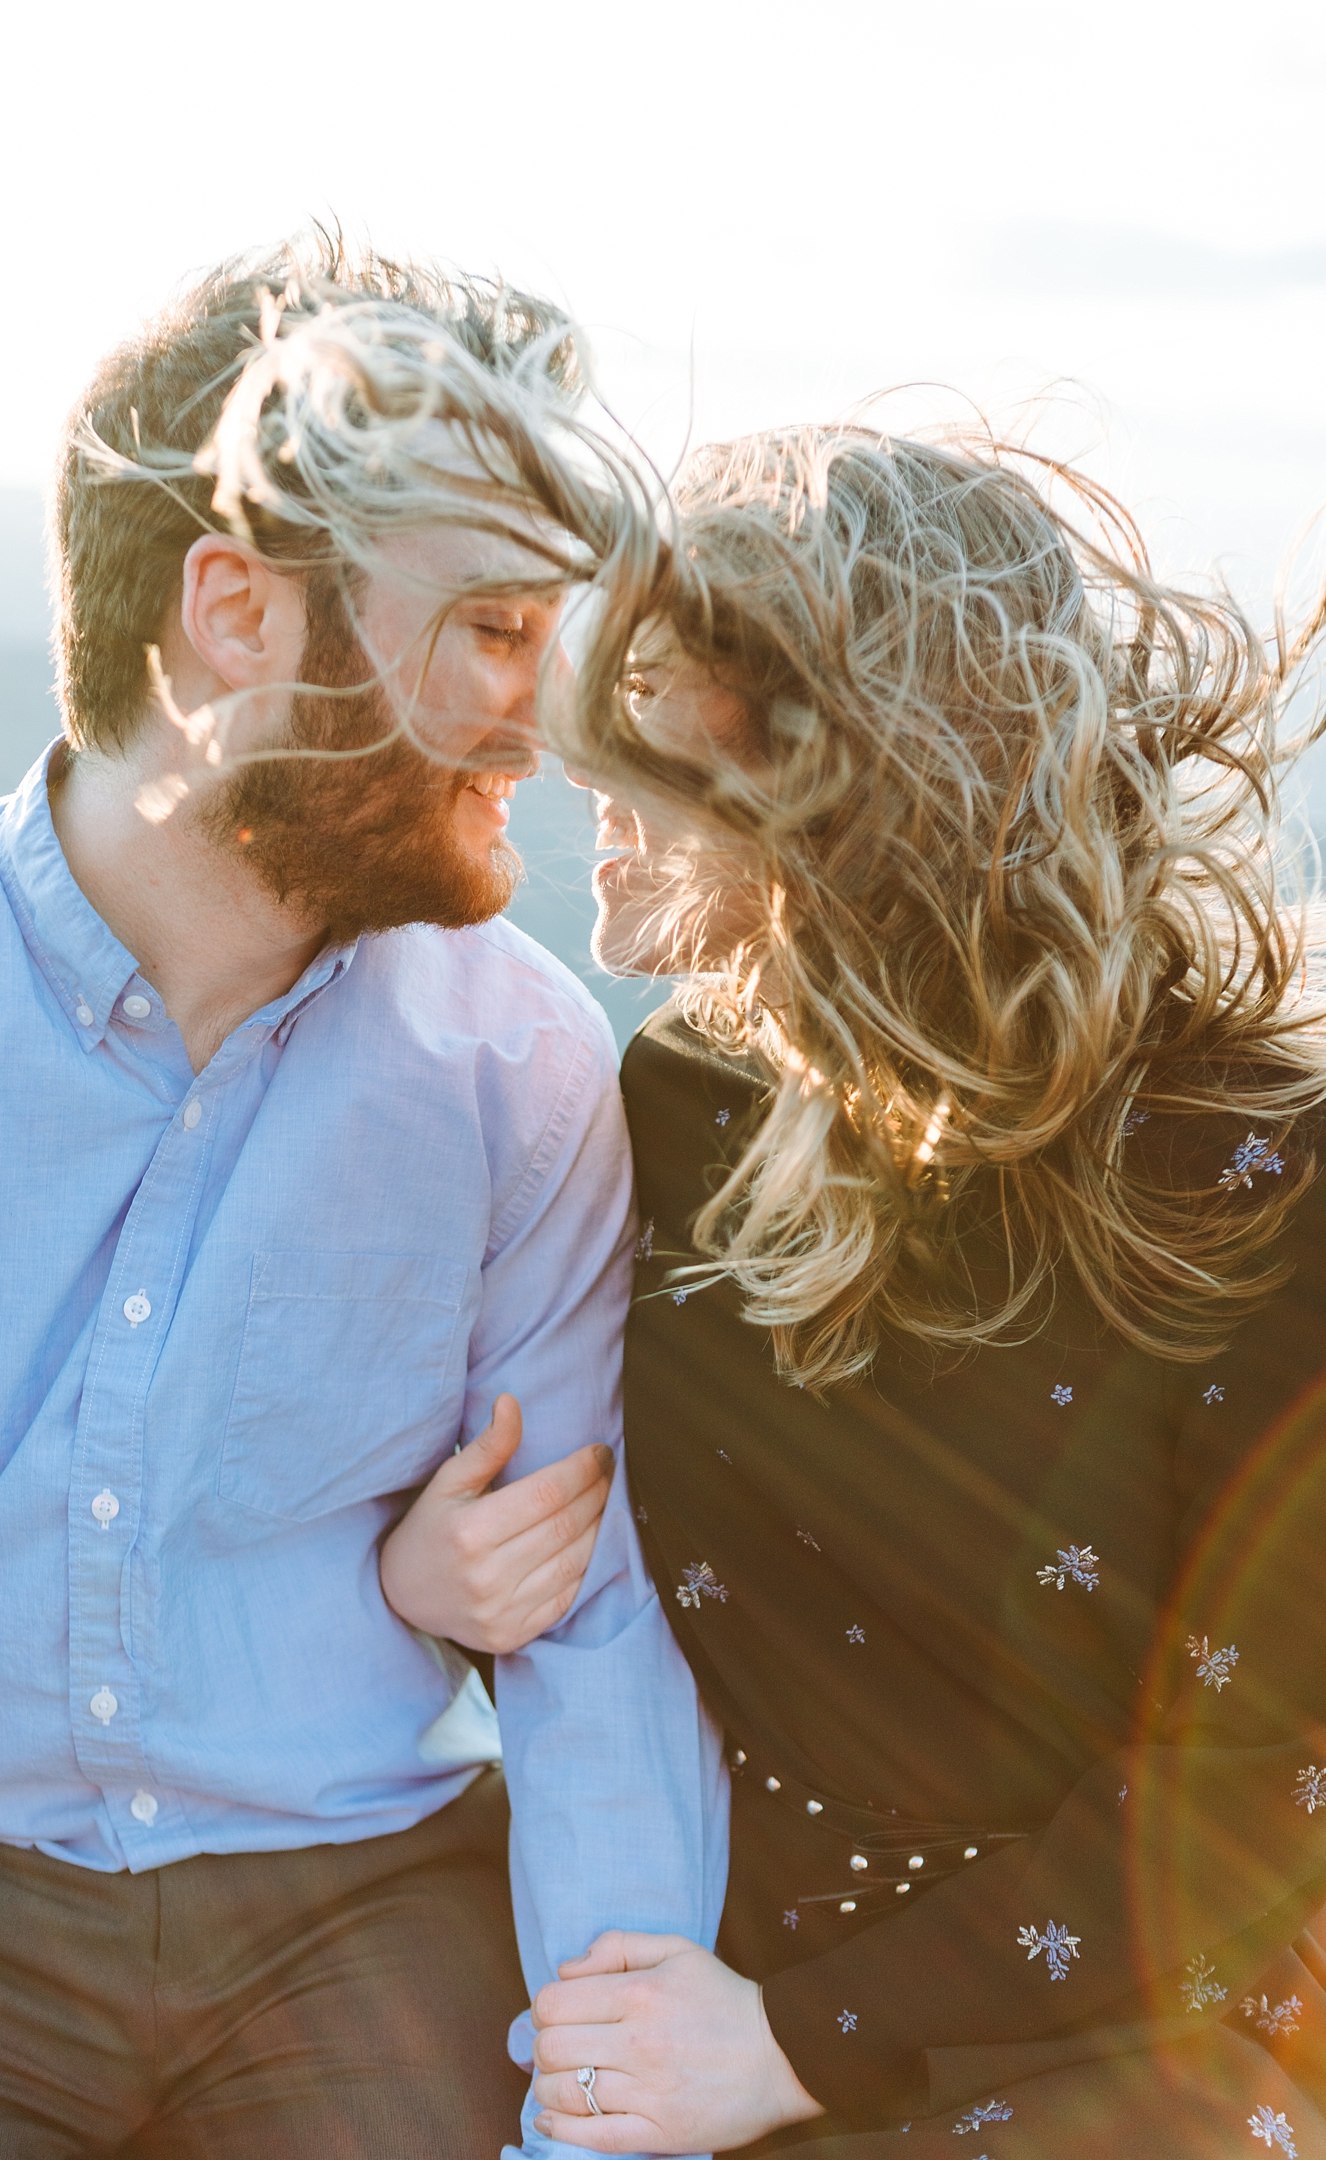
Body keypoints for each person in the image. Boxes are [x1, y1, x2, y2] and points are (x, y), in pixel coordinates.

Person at [386, 426, 1326, 2155]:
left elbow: (1271, 1780)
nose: (563, 753)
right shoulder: (674, 1100)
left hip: (1125, 2045)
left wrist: (801, 2048)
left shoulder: (1255, 1176)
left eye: (647, 706)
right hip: (696, 1987)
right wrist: (436, 1578)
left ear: (832, 772)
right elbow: (583, 1525)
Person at [0, 239, 727, 2160]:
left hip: (359, 1899)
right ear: (238, 618)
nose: (541, 724)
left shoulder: (520, 1067)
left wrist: (602, 2119)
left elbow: (588, 1645)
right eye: (493, 630)